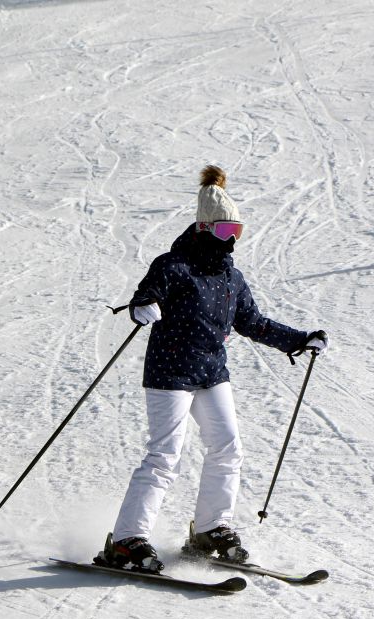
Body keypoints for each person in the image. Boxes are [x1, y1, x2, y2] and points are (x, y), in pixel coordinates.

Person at [96, 165, 328, 573]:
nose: (232, 241)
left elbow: (251, 321)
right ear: (203, 229)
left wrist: (299, 339)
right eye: (225, 232)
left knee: (227, 448)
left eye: (237, 232)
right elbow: (145, 295)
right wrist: (142, 307)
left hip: (212, 374)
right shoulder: (173, 265)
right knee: (164, 456)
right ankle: (128, 540)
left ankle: (210, 528)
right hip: (170, 373)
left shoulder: (231, 277)